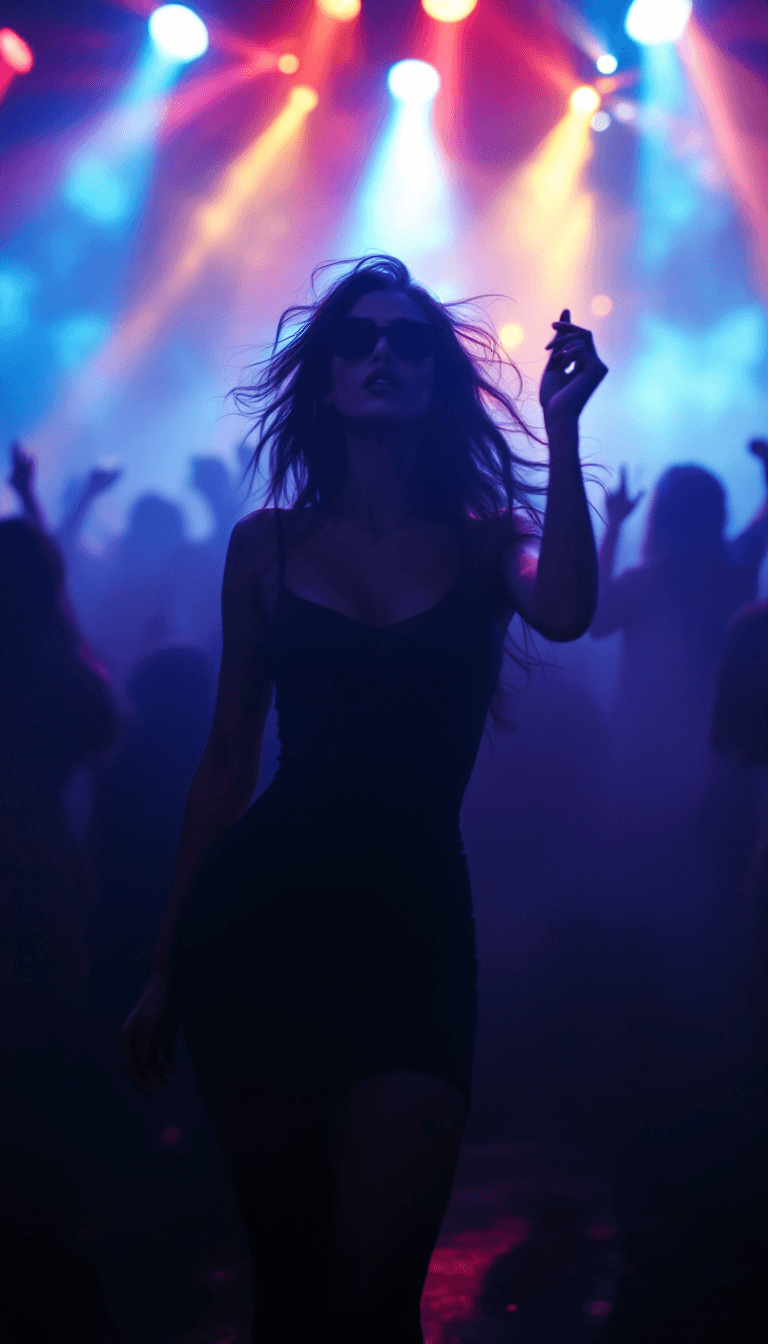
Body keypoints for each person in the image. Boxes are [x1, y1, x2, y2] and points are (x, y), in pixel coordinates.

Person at [122, 255, 606, 1343]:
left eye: (408, 338)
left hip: (414, 931)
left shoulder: (489, 541)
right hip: (259, 928)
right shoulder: (266, 546)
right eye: (358, 337)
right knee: (289, 1300)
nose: (382, 352)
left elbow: (568, 610)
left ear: (438, 378)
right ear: (326, 377)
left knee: (376, 1298)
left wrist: (563, 431)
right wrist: (164, 963)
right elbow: (224, 761)